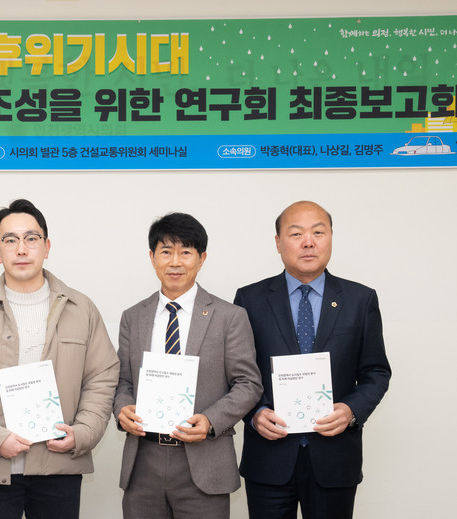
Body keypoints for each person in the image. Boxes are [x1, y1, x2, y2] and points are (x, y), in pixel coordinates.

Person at [0, 198, 119, 519]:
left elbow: (102, 378)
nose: (21, 249)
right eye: (10, 240)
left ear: (46, 246)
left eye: (31, 238)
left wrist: (82, 433)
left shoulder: (82, 309)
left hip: (59, 464)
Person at [233, 200, 391, 519]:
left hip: (335, 459)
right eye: (296, 234)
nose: (308, 242)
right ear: (278, 242)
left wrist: (351, 410)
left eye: (318, 232)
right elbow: (237, 371)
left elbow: (376, 371)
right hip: (269, 458)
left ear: (331, 237)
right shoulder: (250, 299)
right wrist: (255, 412)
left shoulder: (360, 299)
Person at [113, 212, 263, 519]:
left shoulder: (230, 317)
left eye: (186, 252)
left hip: (204, 461)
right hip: (143, 462)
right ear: (152, 257)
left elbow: (248, 384)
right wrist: (122, 408)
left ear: (201, 258)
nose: (175, 262)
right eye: (166, 252)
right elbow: (123, 381)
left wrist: (210, 420)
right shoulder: (133, 317)